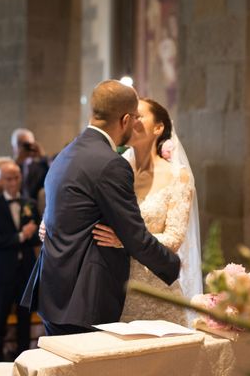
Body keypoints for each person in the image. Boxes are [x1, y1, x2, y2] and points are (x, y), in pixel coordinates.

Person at [21, 80, 180, 336]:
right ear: (126, 119)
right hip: (85, 299)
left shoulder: (66, 153)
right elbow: (134, 235)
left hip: (53, 290)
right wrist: (173, 264)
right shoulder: (111, 165)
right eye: (136, 118)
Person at [90, 98, 201, 326]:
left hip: (155, 289)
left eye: (138, 115)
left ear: (158, 128)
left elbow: (174, 238)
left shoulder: (177, 176)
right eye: (128, 115)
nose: (130, 119)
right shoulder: (112, 169)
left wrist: (125, 241)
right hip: (111, 287)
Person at [0, 161, 40, 361]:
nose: (13, 182)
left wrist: (33, 234)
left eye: (16, 177)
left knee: (24, 316)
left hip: (25, 269)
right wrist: (20, 236)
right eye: (8, 178)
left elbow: (36, 237)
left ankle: (22, 357)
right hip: (3, 269)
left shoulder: (29, 204)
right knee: (1, 316)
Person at [11, 128, 48, 202]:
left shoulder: (41, 167)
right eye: (21, 144)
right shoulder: (9, 166)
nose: (25, 148)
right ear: (13, 147)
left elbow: (51, 177)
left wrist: (43, 156)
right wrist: (17, 161)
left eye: (28, 145)